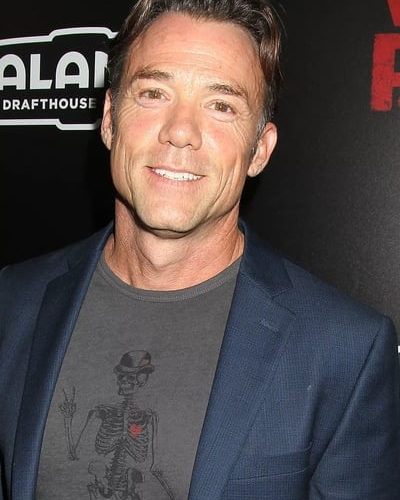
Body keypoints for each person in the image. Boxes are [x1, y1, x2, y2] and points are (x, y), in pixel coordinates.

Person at [0, 0, 399, 498]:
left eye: (221, 105)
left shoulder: (343, 350)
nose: (181, 132)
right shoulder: (14, 302)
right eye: (154, 93)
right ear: (109, 119)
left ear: (259, 150)